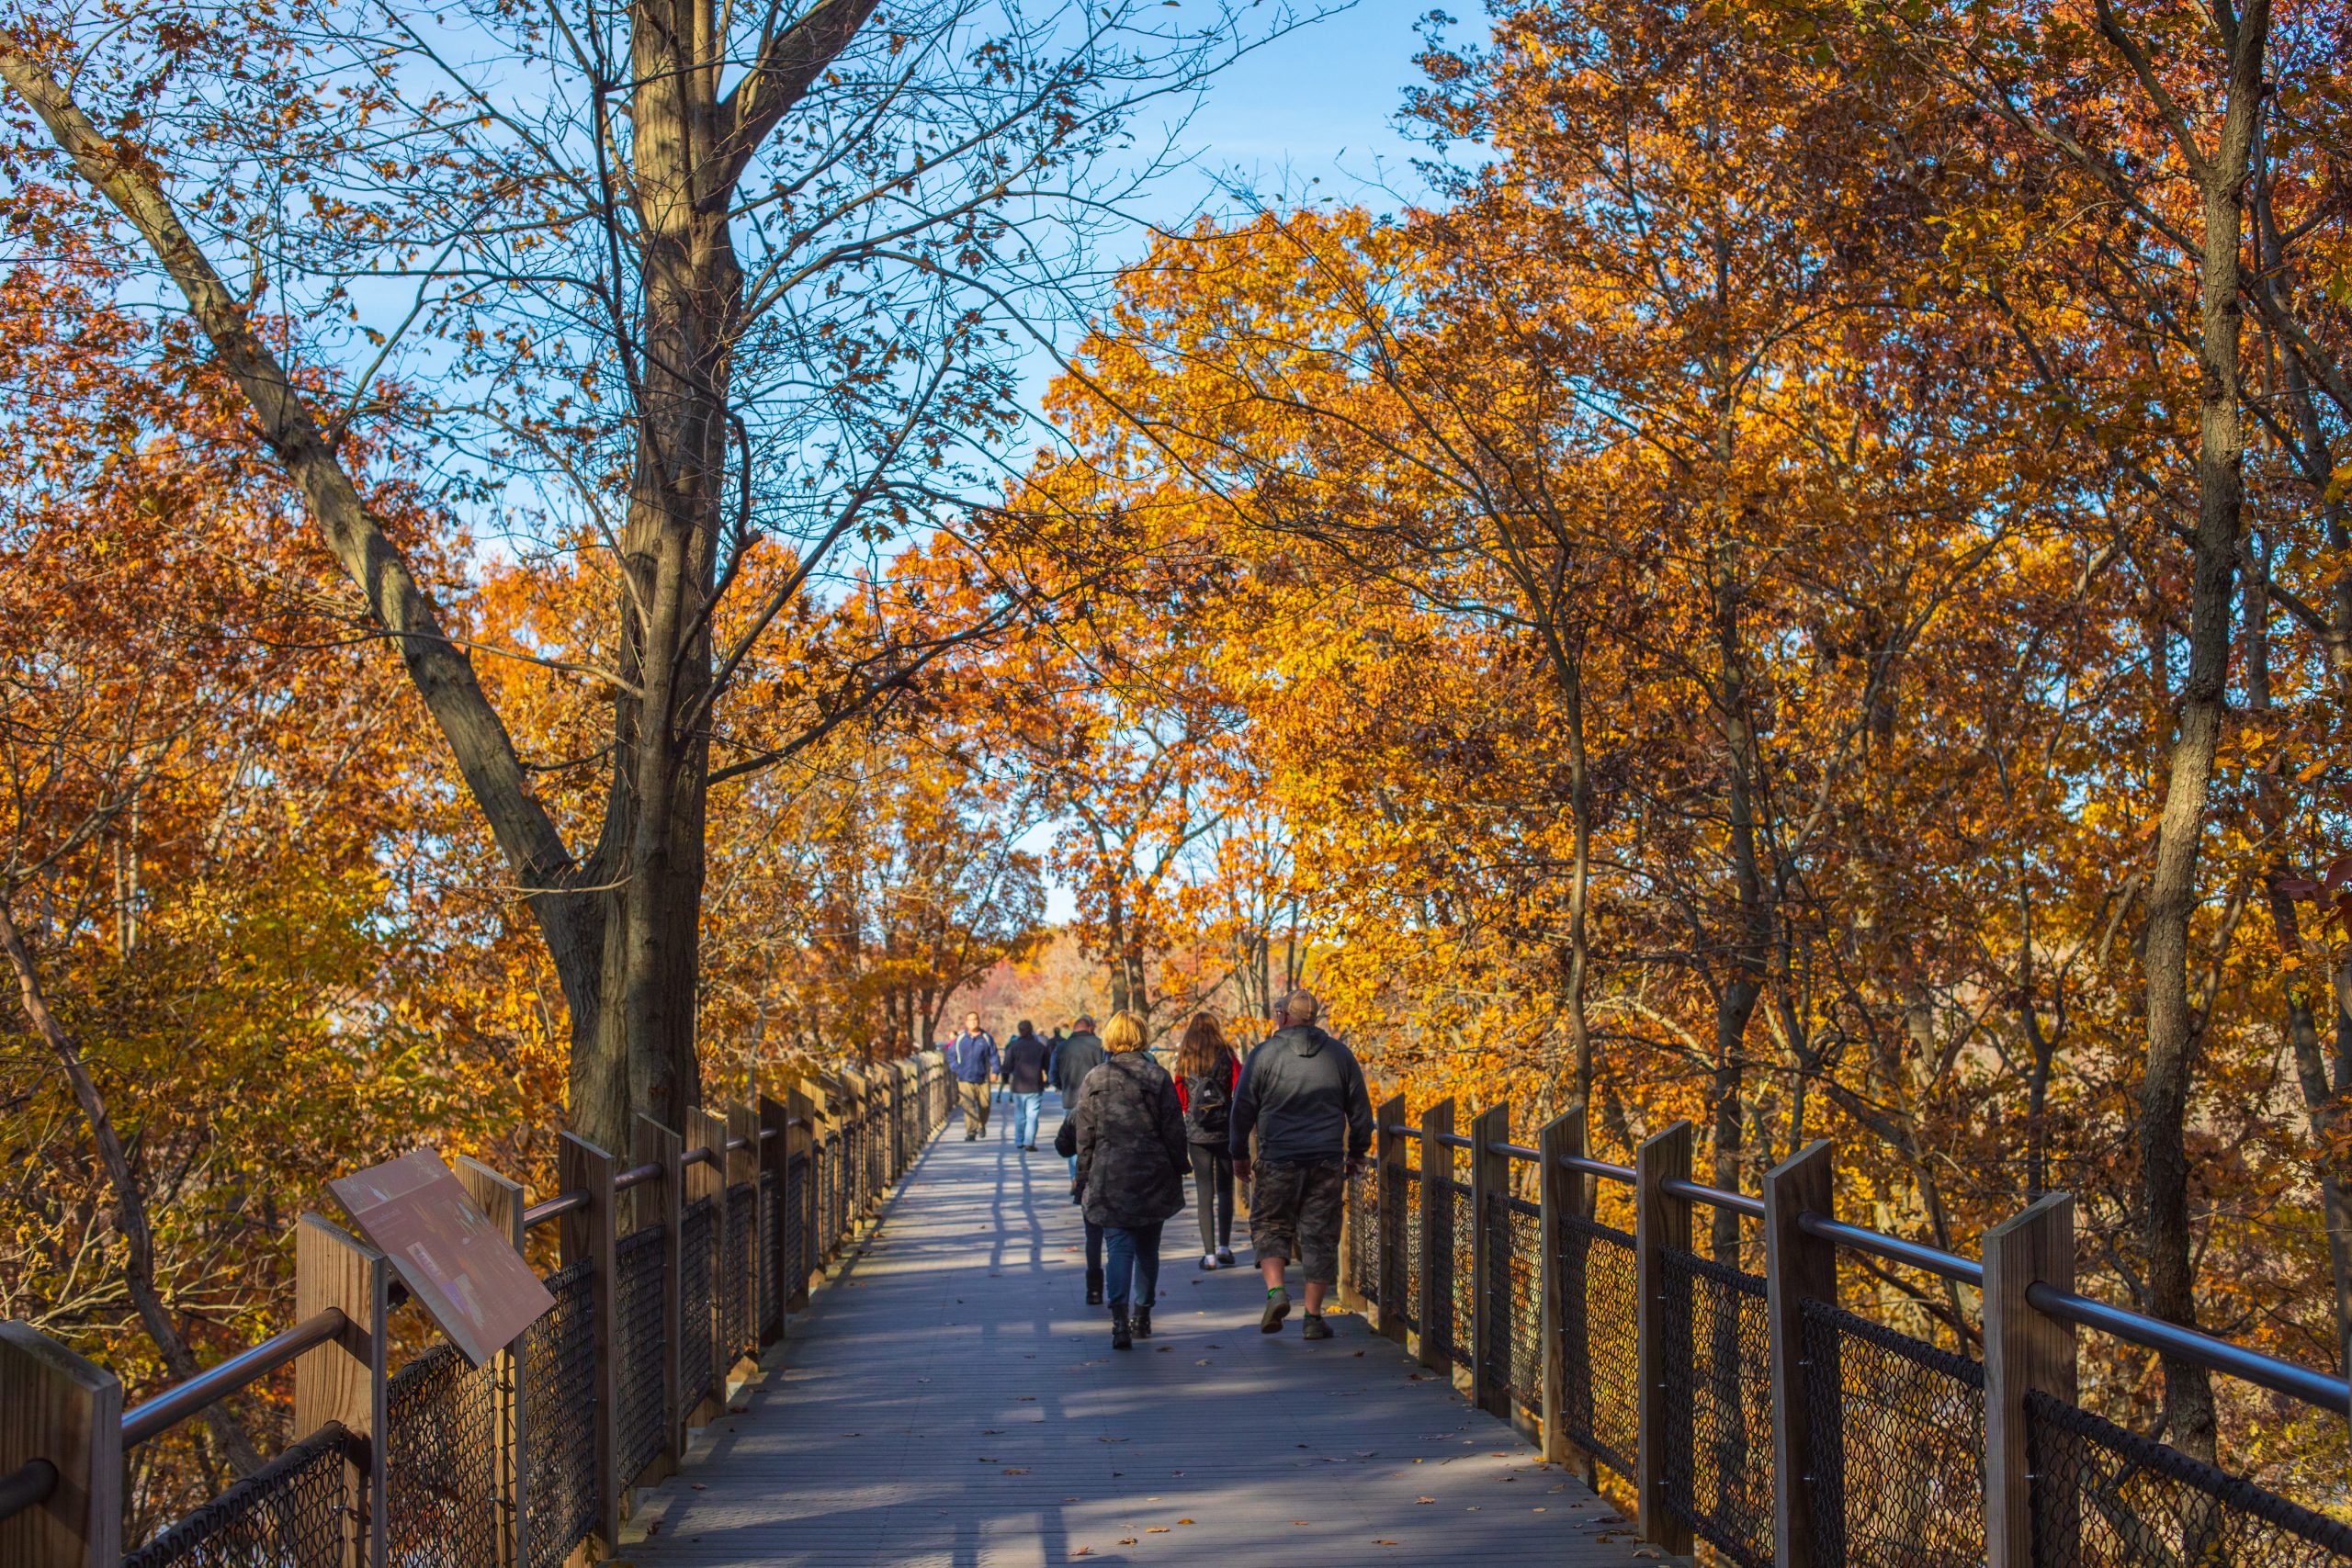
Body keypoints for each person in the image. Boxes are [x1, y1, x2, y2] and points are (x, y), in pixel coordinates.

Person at [1229, 987, 1373, 1339]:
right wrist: (1356, 1151)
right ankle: (1312, 1317)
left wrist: (1238, 1155)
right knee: (1320, 1234)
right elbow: (1361, 1113)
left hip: (1277, 1156)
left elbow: (1242, 1108)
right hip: (1325, 1159)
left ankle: (1277, 1292)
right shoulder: (1340, 1056)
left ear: (1283, 1016)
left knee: (1270, 1225)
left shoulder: (1264, 1055)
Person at [1069, 1010, 1187, 1350]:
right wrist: (1181, 1165)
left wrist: (1083, 1177)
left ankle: (1119, 1319)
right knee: (1148, 1249)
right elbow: (1173, 1128)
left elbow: (1085, 1135)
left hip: (1110, 1175)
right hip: (1152, 1173)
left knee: (1118, 1248)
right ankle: (1143, 1313)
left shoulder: (1095, 1078)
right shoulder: (1157, 1076)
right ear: (1142, 1036)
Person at [1172, 1012, 1240, 1270]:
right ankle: (1225, 1247)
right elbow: (1239, 1081)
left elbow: (1178, 1088)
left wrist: (1189, 1108)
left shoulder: (1186, 1056)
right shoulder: (1226, 1053)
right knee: (1225, 1189)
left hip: (1197, 1130)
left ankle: (1209, 1255)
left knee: (1204, 1191)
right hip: (1224, 1128)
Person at [1052, 1015, 1106, 1173]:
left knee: (1074, 1139)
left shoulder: (1061, 1047)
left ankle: (1075, 1176)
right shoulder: (1100, 1045)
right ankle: (1090, 1176)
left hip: (1070, 1099)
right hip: (1096, 1101)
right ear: (1090, 1028)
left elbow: (1053, 1075)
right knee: (1095, 1139)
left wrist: (1062, 1087)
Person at [944, 1012, 1000, 1140]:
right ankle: (971, 1131)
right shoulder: (960, 1039)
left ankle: (981, 1124)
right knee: (967, 1104)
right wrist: (956, 1068)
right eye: (970, 1020)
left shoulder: (986, 1038)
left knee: (985, 1105)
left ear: (979, 1021)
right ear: (966, 1023)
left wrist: (995, 1071)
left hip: (982, 1078)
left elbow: (994, 1055)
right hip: (964, 1078)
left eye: (975, 1020)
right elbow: (951, 1055)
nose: (973, 1022)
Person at [1001, 1020, 1052, 1150]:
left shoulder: (1014, 1047)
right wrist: (1048, 1080)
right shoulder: (1040, 1047)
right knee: (1032, 1115)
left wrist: (1006, 1079)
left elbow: (1006, 1066)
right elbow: (1048, 1066)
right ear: (1031, 1030)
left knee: (1020, 1115)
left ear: (1019, 1031)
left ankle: (1019, 1140)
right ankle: (1029, 1141)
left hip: (1018, 1086)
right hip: (1035, 1085)